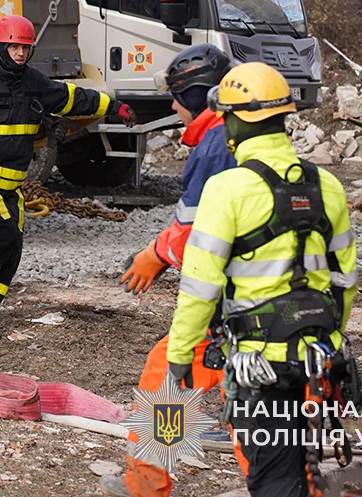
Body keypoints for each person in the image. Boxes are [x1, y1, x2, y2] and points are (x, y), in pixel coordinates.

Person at [164, 62, 358, 497]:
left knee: (274, 481)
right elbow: (345, 282)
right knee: (301, 470)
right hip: (317, 361)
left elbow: (200, 287)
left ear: (234, 121)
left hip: (260, 367)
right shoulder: (327, 185)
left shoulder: (227, 189)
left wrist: (180, 354)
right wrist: (328, 340)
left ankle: (148, 478)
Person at [0, 14, 136, 340]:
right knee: (1, 236)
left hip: (12, 186)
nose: (20, 53)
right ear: (0, 46)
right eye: (14, 46)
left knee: (11, 251)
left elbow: (70, 98)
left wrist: (113, 106)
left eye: (25, 47)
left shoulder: (33, 82)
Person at [105, 43, 237, 497]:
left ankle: (144, 486)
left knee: (166, 383)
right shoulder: (239, 139)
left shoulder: (215, 147)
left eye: (178, 97)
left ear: (199, 96)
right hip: (273, 311)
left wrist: (157, 256)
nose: (174, 107)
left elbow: (198, 233)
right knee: (264, 428)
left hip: (224, 308)